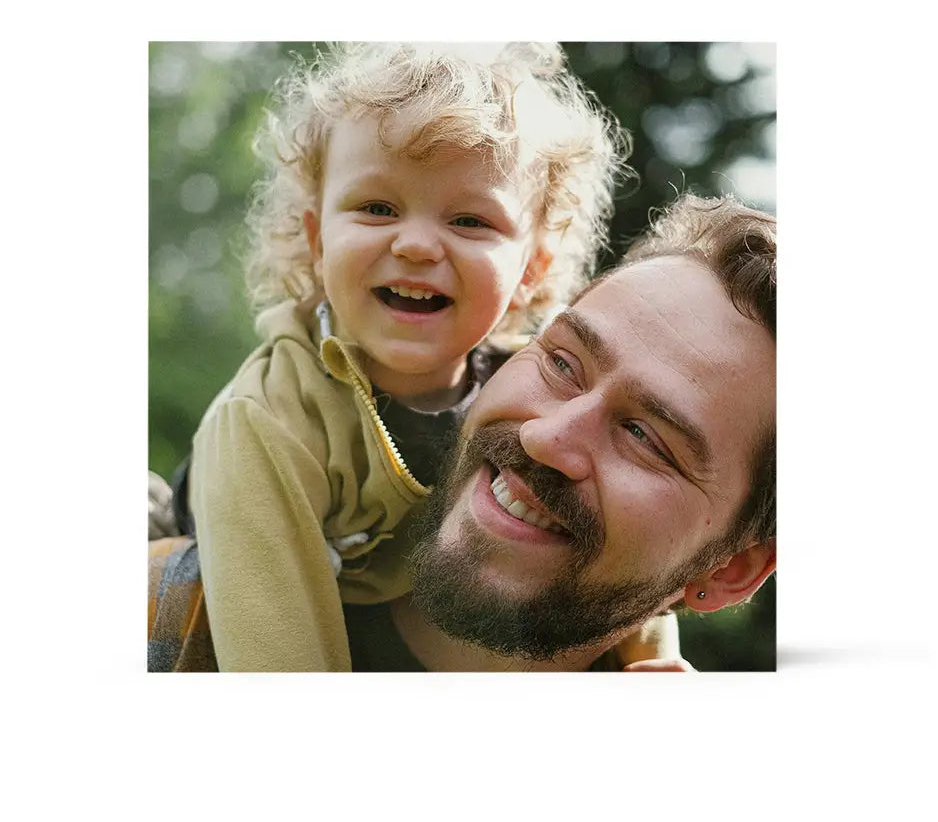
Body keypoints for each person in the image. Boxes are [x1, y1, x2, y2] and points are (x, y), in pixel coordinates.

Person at [169, 42, 678, 672]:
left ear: (531, 271)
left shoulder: (537, 396)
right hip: (233, 560)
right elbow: (275, 655)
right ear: (317, 240)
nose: (414, 245)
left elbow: (620, 536)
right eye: (377, 208)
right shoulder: (266, 421)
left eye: (469, 221)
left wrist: (647, 661)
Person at [149, 193, 775, 672]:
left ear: (732, 570)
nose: (544, 438)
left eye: (646, 437)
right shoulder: (160, 625)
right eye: (561, 363)